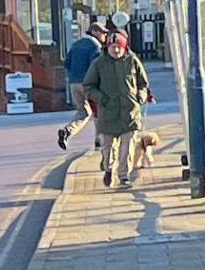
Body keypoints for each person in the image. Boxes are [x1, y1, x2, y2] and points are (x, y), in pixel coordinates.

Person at [81, 29, 153, 186]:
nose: (115, 50)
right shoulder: (99, 63)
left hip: (130, 112)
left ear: (124, 46)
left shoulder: (132, 60)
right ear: (107, 47)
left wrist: (140, 97)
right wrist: (102, 99)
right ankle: (108, 169)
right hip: (108, 113)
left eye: (118, 47)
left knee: (128, 147)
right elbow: (88, 86)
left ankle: (123, 176)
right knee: (108, 148)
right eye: (112, 47)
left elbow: (143, 84)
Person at [52, 17, 104, 148]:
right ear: (95, 32)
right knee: (98, 110)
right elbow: (96, 65)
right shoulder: (95, 46)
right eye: (103, 33)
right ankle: (99, 140)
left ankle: (67, 131)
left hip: (74, 83)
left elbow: (67, 63)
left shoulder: (75, 44)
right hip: (88, 84)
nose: (104, 36)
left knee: (83, 112)